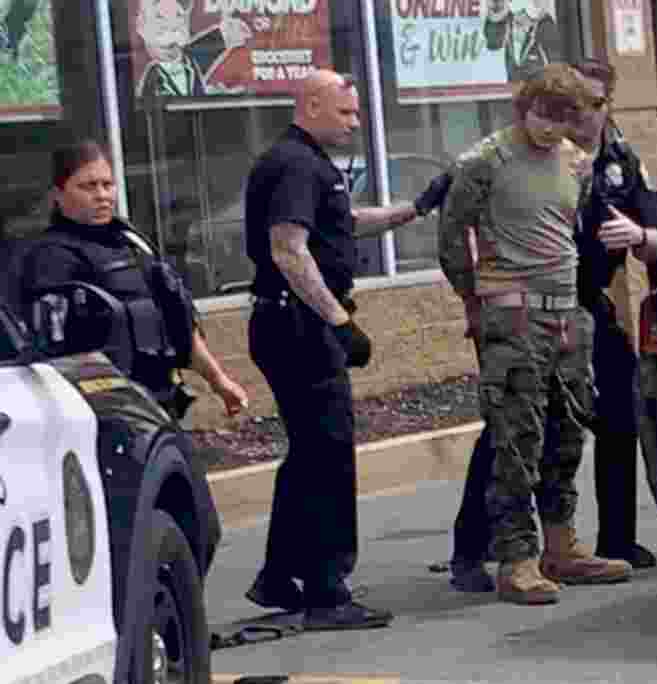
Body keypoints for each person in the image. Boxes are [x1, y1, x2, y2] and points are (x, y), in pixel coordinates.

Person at [439, 59, 657, 594]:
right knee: (516, 438)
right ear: (524, 108)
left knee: (567, 436)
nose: (551, 127)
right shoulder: (485, 162)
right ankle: (515, 557)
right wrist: (475, 301)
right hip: (513, 313)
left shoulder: (576, 163)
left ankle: (560, 547)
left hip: (567, 313)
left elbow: (573, 234)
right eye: (543, 114)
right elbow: (452, 238)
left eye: (564, 118)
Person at [242, 68, 448, 630]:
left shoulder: (306, 163)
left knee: (309, 453)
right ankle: (328, 593)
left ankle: (280, 577)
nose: (356, 123)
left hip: (293, 323)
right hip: (298, 326)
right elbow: (288, 250)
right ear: (311, 104)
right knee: (329, 457)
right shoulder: (293, 164)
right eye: (346, 113)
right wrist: (337, 321)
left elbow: (343, 224)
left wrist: (415, 209)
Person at [21, 139, 249, 421]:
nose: (102, 195)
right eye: (88, 186)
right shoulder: (52, 258)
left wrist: (218, 381)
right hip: (101, 414)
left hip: (160, 404)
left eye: (107, 184)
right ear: (58, 194)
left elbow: (177, 318)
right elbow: (50, 351)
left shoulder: (131, 244)